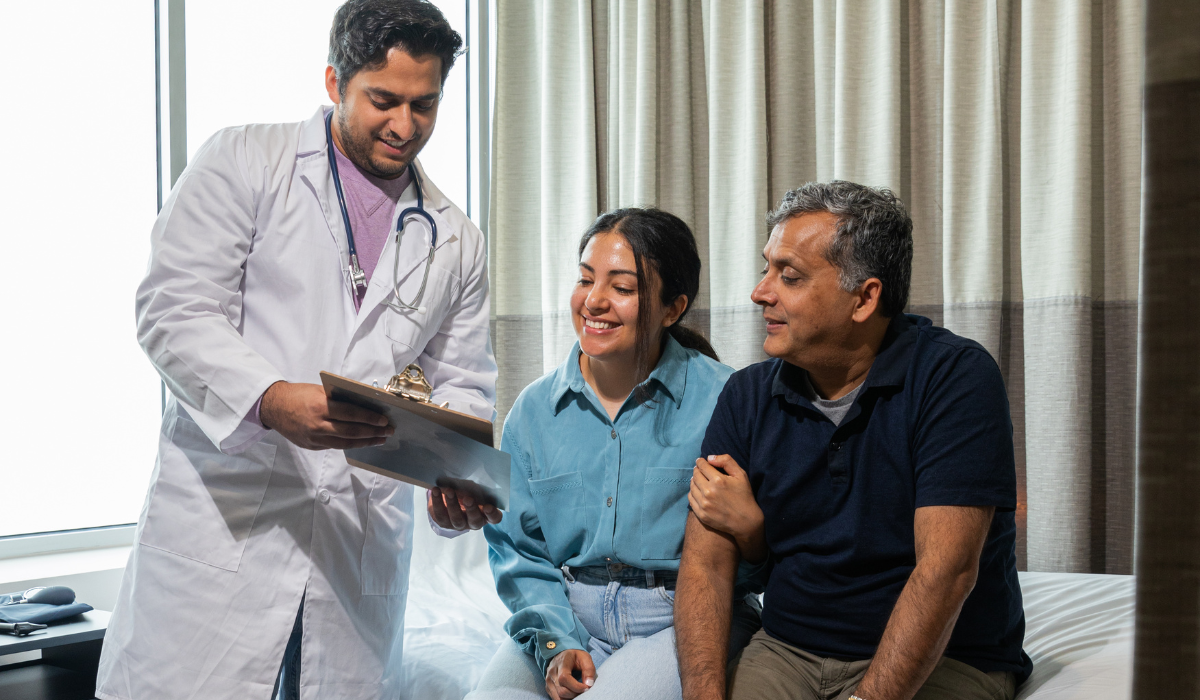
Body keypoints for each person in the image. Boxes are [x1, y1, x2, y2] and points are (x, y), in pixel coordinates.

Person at [96, 2, 499, 699]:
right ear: (334, 80)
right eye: (384, 100)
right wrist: (272, 401)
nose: (406, 126)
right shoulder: (245, 162)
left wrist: (453, 481)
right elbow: (172, 310)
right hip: (225, 532)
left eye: (425, 105)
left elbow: (462, 384)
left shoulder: (456, 239)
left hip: (353, 548)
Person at [676, 181, 1033, 700]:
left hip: (948, 658)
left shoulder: (955, 378)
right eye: (766, 269)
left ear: (865, 298)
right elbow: (705, 564)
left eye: (789, 276)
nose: (760, 292)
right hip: (787, 651)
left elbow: (947, 572)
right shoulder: (747, 395)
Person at [468, 209, 763, 700]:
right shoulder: (534, 411)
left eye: (622, 287)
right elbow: (519, 549)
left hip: (683, 617)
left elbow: (757, 562)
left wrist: (754, 537)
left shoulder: (725, 399)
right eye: (586, 279)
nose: (594, 301)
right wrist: (556, 642)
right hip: (568, 612)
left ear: (673, 308)